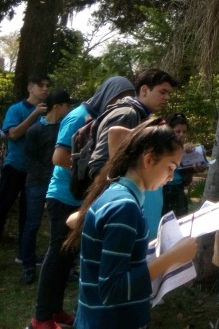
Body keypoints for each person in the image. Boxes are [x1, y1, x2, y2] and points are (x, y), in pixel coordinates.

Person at [64, 119, 197, 329]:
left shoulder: (118, 194)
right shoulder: (124, 207)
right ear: (149, 160)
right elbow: (112, 290)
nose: (171, 177)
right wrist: (171, 258)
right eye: (170, 167)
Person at [29, 75, 135, 329]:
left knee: (67, 258)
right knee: (57, 256)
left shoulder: (101, 117)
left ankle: (54, 311)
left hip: (79, 197)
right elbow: (58, 157)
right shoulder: (79, 115)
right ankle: (40, 318)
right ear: (108, 93)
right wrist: (88, 173)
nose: (122, 103)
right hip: (63, 196)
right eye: (119, 98)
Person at [87, 69, 178, 241]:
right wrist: (114, 198)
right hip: (114, 206)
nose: (167, 98)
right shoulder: (128, 114)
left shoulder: (139, 115)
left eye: (169, 93)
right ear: (144, 90)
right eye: (162, 92)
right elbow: (100, 163)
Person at [20, 90, 72, 285]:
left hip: (58, 185)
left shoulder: (65, 128)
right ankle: (28, 266)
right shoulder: (35, 130)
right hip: (37, 184)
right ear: (58, 106)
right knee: (32, 224)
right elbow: (30, 160)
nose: (69, 109)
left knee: (63, 226)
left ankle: (66, 268)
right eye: (67, 105)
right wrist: (47, 177)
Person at [0, 73, 50, 256]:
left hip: (34, 173)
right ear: (30, 88)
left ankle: (23, 253)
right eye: (40, 85)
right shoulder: (17, 109)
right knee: (3, 206)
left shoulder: (49, 111)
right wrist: (34, 114)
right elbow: (13, 134)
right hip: (15, 167)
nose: (45, 89)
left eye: (47, 86)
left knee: (28, 214)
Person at [161, 113, 205, 217]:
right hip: (164, 191)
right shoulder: (162, 149)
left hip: (179, 191)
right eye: (178, 131)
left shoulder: (187, 150)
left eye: (184, 132)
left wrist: (192, 169)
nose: (181, 134)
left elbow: (186, 181)